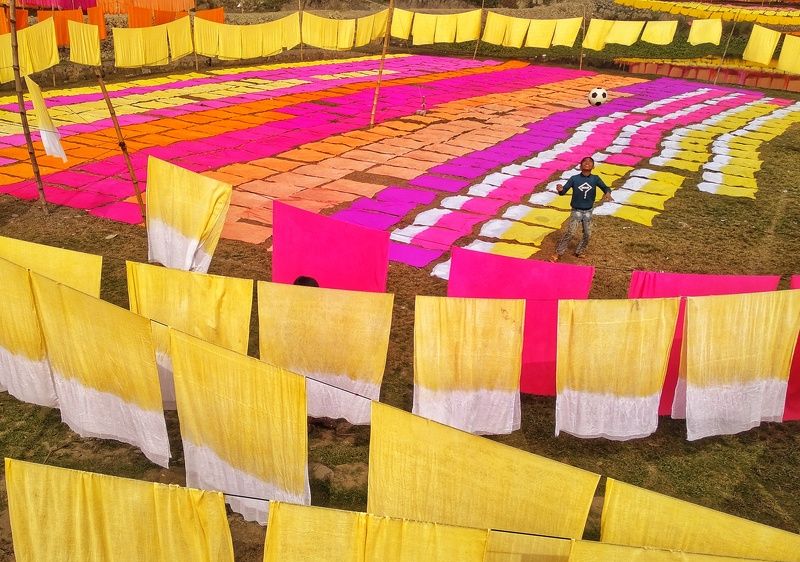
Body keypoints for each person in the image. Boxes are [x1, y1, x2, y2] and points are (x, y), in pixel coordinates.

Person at [550, 156, 611, 261]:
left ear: (593, 166)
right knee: (570, 232)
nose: (587, 163)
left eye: (590, 162)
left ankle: (580, 251)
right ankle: (558, 253)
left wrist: (607, 193)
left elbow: (605, 187)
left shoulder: (595, 179)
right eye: (584, 161)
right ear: (580, 166)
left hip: (588, 211)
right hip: (576, 210)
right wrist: (560, 189)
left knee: (588, 234)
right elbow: (563, 192)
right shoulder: (574, 179)